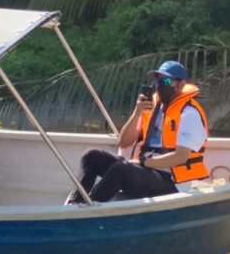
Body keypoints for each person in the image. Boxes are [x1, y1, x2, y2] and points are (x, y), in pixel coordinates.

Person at [68, 60, 209, 204]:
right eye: (157, 81)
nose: (160, 85)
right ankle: (75, 204)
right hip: (145, 170)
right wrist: (137, 113)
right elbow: (124, 142)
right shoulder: (151, 109)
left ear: (181, 85)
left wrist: (143, 162)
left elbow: (180, 157)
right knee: (91, 156)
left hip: (171, 180)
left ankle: (89, 209)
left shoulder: (189, 114)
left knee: (121, 169)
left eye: (166, 81)